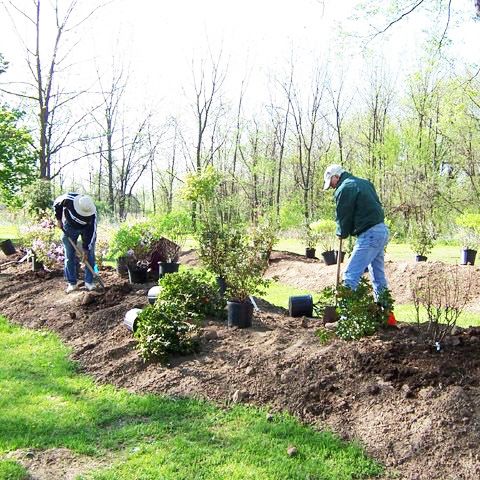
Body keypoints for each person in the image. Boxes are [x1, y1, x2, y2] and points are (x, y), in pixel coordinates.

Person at [323, 164, 389, 300]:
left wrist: (341, 232)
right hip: (381, 230)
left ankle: (345, 318)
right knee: (377, 275)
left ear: (336, 176)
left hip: (369, 234)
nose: (332, 186)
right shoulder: (365, 183)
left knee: (350, 275)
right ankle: (386, 314)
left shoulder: (344, 188)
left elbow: (343, 214)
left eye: (331, 183)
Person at [53, 192, 97, 293]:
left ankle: (89, 282)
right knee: (69, 255)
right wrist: (58, 219)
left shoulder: (92, 214)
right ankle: (72, 283)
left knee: (90, 255)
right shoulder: (68, 199)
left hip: (86, 229)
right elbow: (56, 203)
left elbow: (92, 234)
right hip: (70, 227)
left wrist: (86, 249)